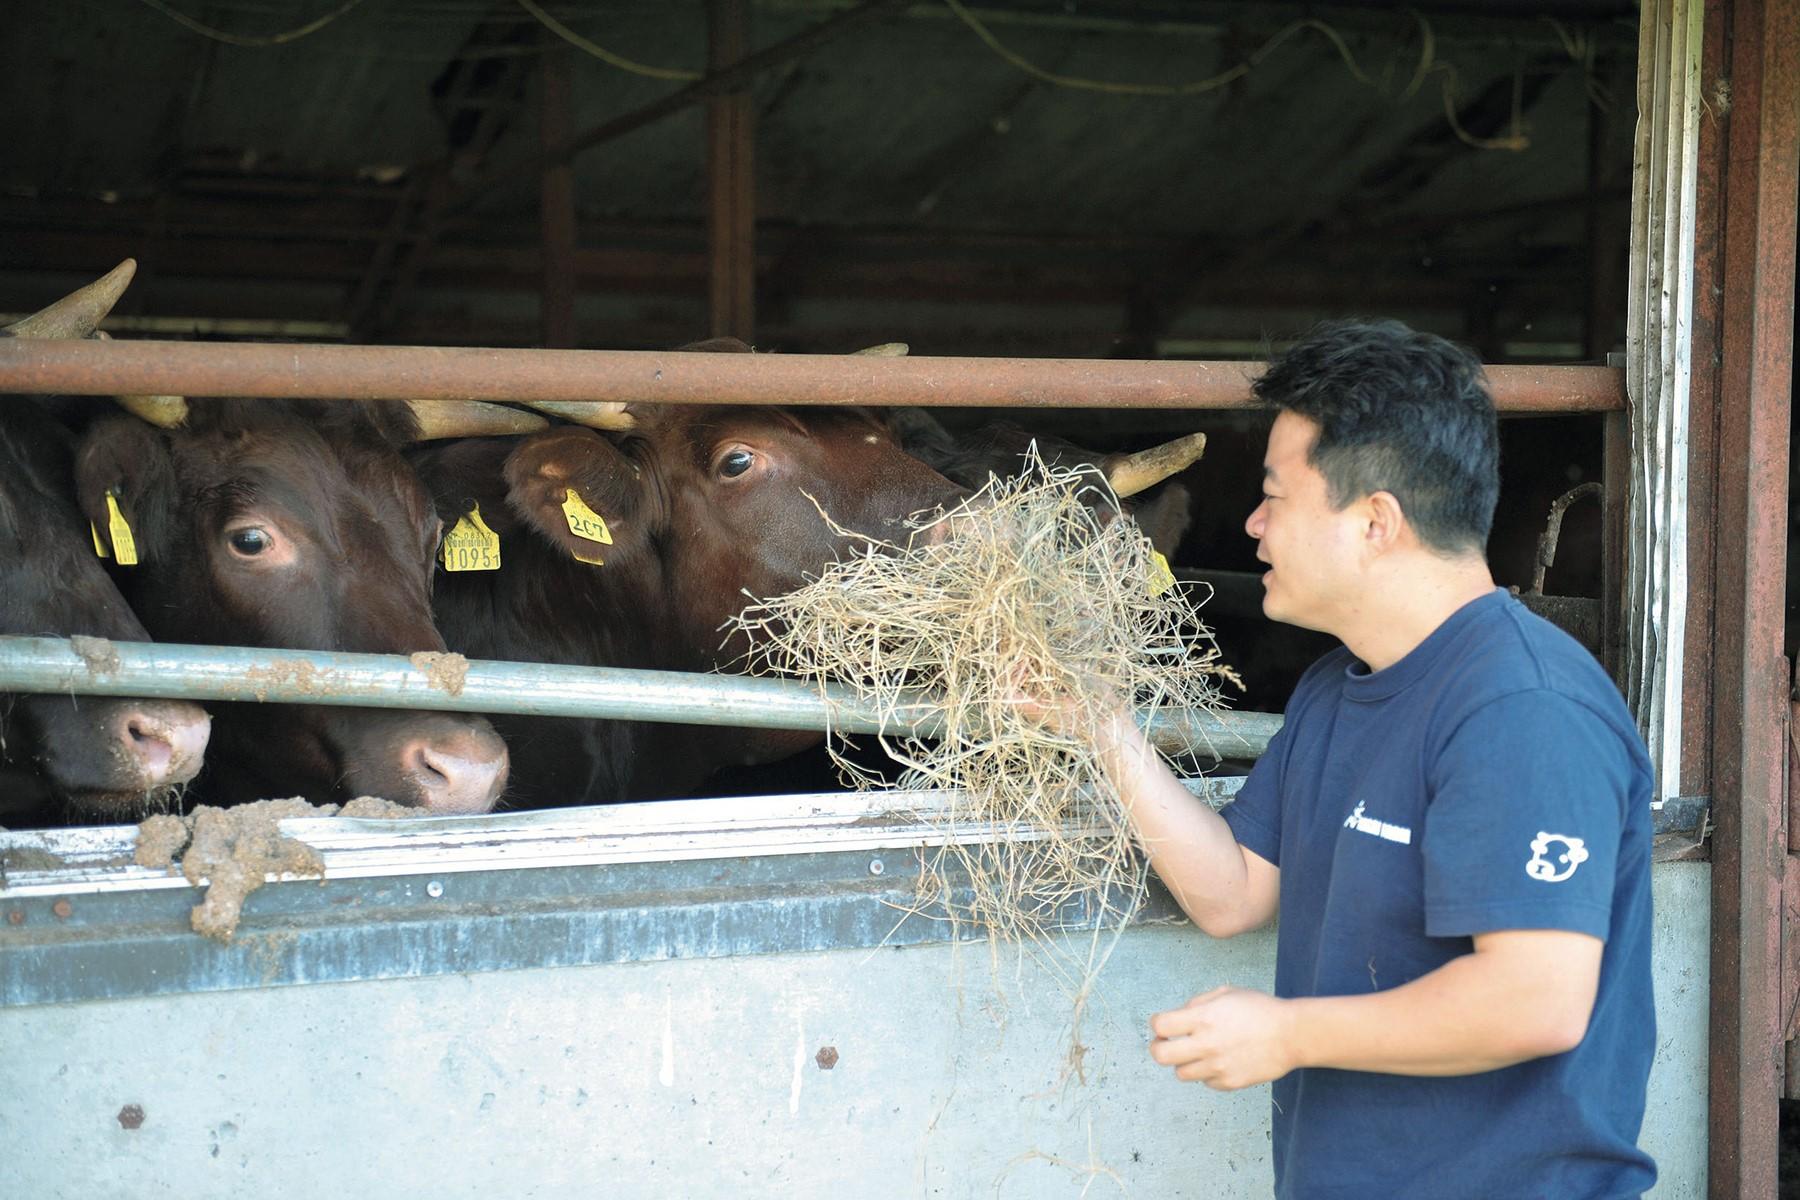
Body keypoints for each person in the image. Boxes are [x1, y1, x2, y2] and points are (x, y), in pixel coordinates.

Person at [1058, 321, 1657, 1198]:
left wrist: (1289, 1033)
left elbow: (1537, 999)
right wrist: (1096, 720)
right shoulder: (1341, 686)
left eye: (1275, 496)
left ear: (1376, 521)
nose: (1253, 525)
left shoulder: (1524, 709)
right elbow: (1234, 893)